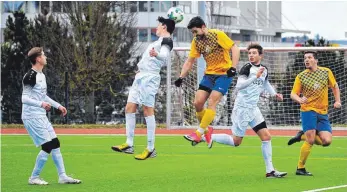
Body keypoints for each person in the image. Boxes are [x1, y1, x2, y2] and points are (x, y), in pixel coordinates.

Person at [199, 43, 288, 178]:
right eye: (249, 53)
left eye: (254, 53)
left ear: (260, 55)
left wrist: (274, 94)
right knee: (236, 142)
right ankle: (210, 136)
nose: (251, 55)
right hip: (242, 108)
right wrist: (254, 77)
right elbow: (239, 85)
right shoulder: (247, 68)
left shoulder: (264, 69)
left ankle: (270, 170)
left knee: (266, 137)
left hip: (253, 109)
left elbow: (265, 83)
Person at [111, 17, 175, 160]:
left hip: (150, 79)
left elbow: (163, 56)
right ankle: (129, 144)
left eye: (159, 25)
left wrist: (156, 54)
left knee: (147, 110)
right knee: (129, 107)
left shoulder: (167, 41)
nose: (156, 28)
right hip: (141, 77)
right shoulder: (156, 42)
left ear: (164, 27)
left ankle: (151, 148)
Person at [174, 16, 240, 147]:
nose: (194, 34)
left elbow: (235, 48)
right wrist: (181, 77)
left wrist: (233, 68)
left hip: (224, 74)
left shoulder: (217, 35)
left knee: (212, 102)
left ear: (203, 27)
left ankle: (198, 133)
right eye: (192, 32)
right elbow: (189, 61)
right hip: (209, 75)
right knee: (197, 103)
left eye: (195, 31)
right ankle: (206, 129)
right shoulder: (196, 41)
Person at [22, 47, 81, 185]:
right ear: (38, 59)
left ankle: (62, 176)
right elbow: (24, 98)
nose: (45, 57)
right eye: (43, 55)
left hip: (40, 115)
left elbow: (43, 96)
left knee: (55, 143)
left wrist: (58, 105)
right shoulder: (30, 76)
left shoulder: (42, 75)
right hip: (31, 116)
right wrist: (41, 104)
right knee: (48, 145)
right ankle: (34, 177)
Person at [289, 51, 341, 176]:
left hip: (322, 112)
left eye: (309, 57)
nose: (306, 60)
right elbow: (293, 94)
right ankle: (300, 168)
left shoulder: (326, 72)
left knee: (327, 141)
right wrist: (300, 99)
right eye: (305, 58)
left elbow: (334, 86)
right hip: (308, 110)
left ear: (316, 60)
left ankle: (301, 136)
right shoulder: (301, 76)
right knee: (311, 140)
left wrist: (337, 100)